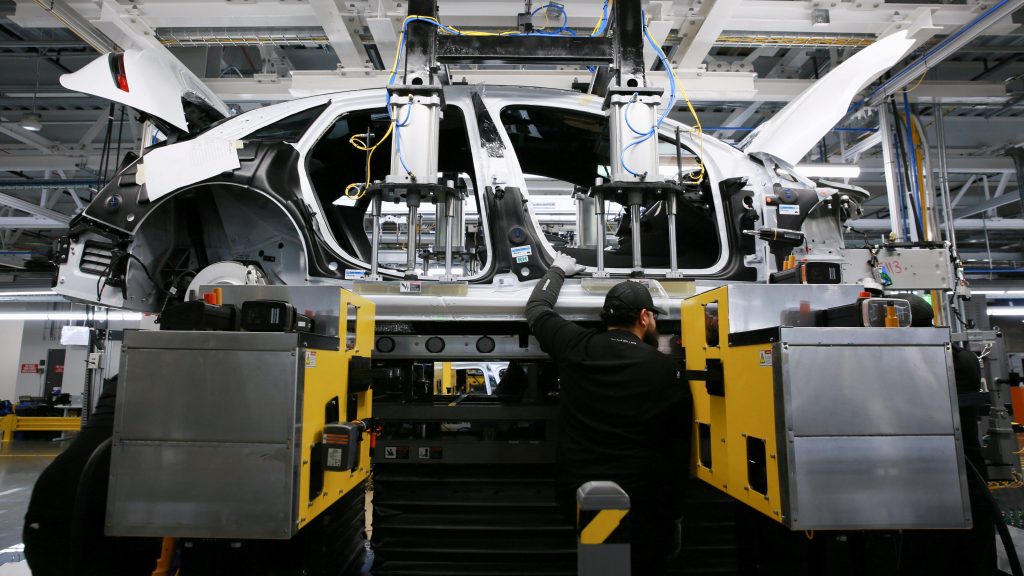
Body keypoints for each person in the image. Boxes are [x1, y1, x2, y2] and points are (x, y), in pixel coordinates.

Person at [525, 252, 693, 576]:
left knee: (602, 561)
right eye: (654, 318)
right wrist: (675, 516)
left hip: (577, 493)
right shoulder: (666, 370)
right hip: (644, 501)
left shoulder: (575, 345)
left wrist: (558, 269)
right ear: (644, 317)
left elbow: (536, 310)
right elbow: (677, 451)